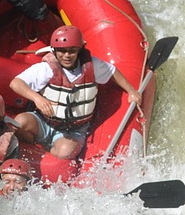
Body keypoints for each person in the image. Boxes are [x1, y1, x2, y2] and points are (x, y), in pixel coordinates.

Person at [9, 25, 142, 160]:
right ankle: (33, 146)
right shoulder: (46, 68)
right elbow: (16, 83)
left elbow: (113, 72)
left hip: (74, 129)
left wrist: (131, 91)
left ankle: (52, 160)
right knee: (20, 121)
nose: (67, 55)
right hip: (44, 121)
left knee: (64, 152)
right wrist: (37, 98)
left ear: (80, 49)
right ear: (54, 50)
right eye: (62, 51)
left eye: (72, 51)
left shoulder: (92, 65)